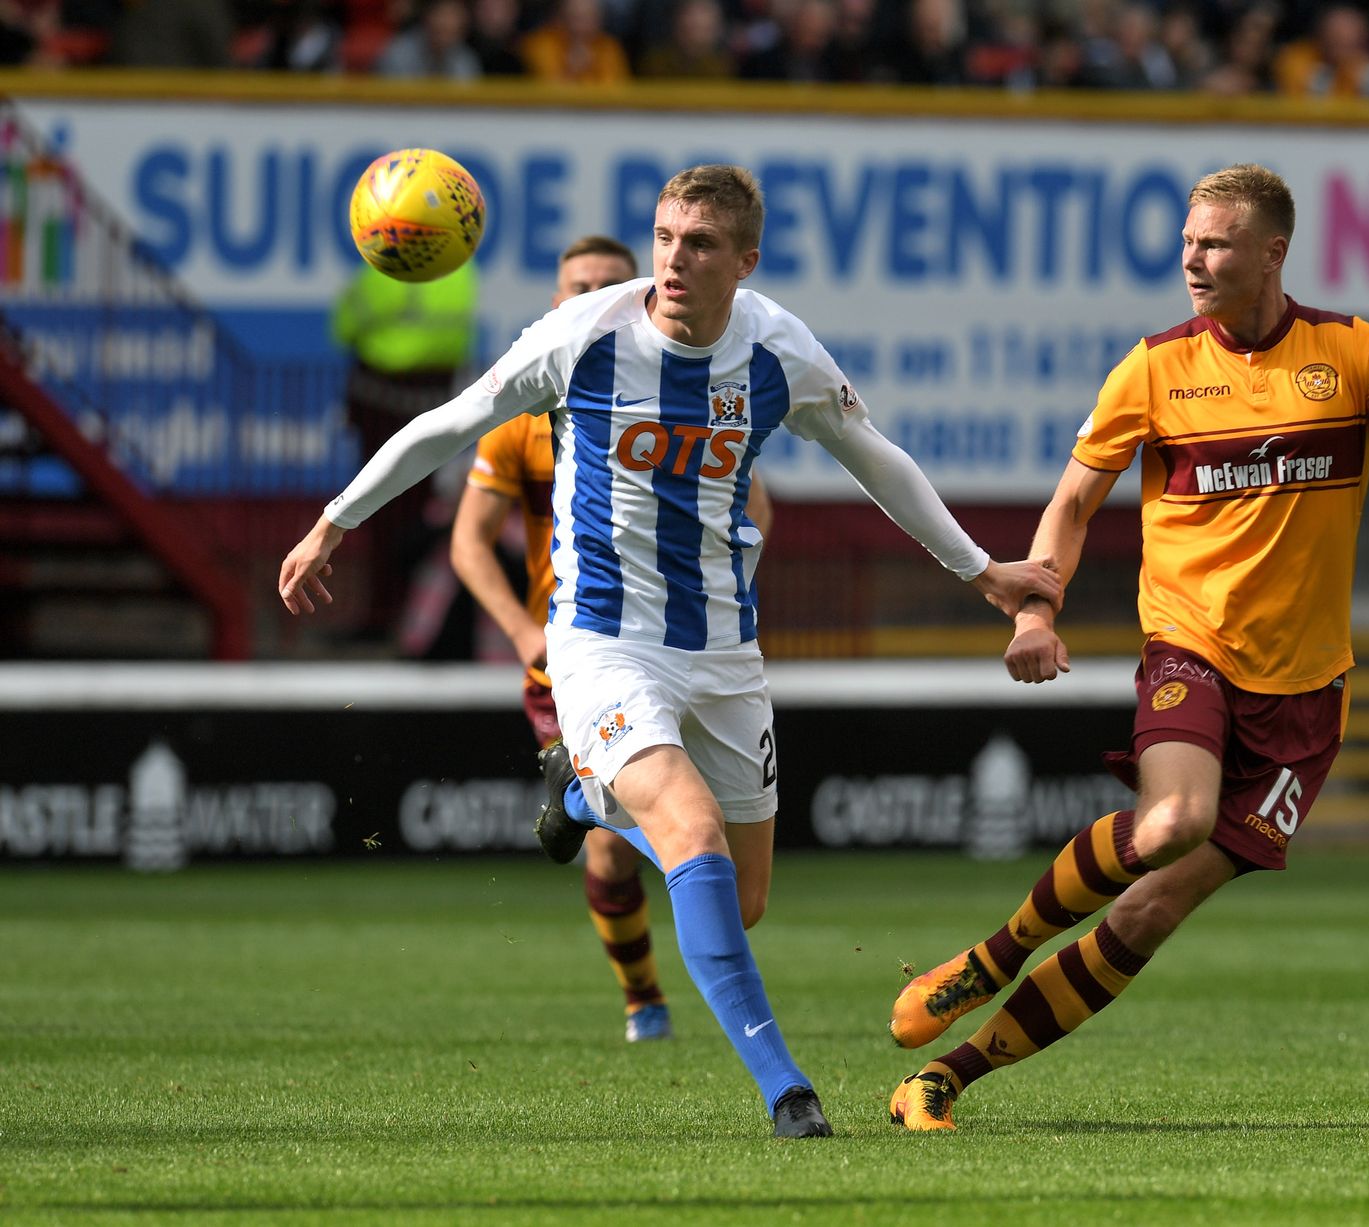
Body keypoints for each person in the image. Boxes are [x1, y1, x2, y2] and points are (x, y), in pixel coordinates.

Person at [279, 164, 1062, 1139]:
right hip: (604, 645)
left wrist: (980, 571)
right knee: (687, 837)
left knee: (744, 899)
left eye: (698, 244)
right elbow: (447, 424)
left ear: (745, 261)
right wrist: (331, 523)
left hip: (725, 652)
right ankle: (787, 1093)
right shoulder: (583, 336)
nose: (673, 260)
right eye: (663, 237)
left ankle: (578, 793)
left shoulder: (778, 351)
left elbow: (878, 460)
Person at [885, 163, 1369, 1131]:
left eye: (1212, 244)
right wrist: (1033, 613)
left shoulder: (1352, 352)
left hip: (1306, 696)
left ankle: (942, 1079)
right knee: (1168, 822)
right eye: (1185, 244)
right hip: (1189, 646)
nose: (1191, 261)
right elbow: (1072, 503)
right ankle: (990, 959)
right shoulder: (1154, 365)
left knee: (1146, 914)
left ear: (1270, 252)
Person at [449, 233, 771, 1045]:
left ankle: (577, 799)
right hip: (581, 649)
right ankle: (644, 1003)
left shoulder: (680, 384)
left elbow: (753, 503)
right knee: (623, 851)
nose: (588, 293)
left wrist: (723, 590)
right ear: (557, 300)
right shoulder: (525, 417)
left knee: (721, 874)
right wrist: (526, 631)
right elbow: (467, 541)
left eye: (604, 280)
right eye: (574, 283)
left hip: (686, 646)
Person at [330, 255, 479, 641]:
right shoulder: (459, 269)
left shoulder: (386, 269)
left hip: (383, 401)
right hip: (437, 398)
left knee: (378, 513)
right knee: (422, 514)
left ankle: (385, 614)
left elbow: (344, 326)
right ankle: (415, 615)